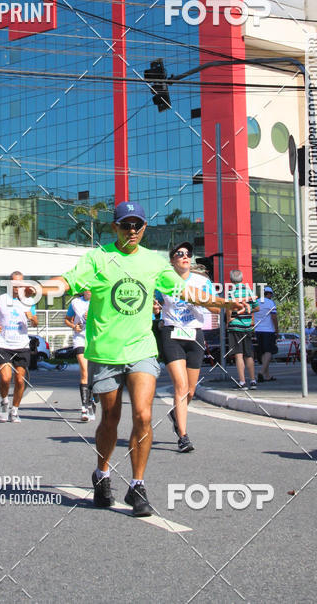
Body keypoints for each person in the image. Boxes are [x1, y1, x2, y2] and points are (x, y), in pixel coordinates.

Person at [40, 202, 245, 516]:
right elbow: (66, 281)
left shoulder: (154, 262)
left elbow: (186, 293)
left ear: (144, 228)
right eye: (125, 225)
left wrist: (223, 303)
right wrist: (38, 288)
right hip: (105, 352)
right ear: (115, 228)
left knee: (144, 415)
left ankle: (137, 486)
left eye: (137, 225)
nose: (131, 230)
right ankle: (102, 474)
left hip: (142, 349)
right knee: (110, 419)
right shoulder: (98, 257)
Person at [156, 241, 215, 454]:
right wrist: (154, 307)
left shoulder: (202, 281)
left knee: (190, 391)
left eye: (188, 253)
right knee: (180, 387)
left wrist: (206, 303)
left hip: (195, 334)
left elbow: (215, 306)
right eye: (179, 254)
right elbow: (152, 304)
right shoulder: (162, 282)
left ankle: (176, 414)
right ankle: (183, 436)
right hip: (172, 334)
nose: (185, 256)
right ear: (172, 260)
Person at [0, 270, 38, 423]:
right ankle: (4, 402)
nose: (17, 286)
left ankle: (14, 410)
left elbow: (36, 322)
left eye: (20, 283)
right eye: (15, 283)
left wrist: (32, 319)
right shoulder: (1, 299)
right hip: (4, 344)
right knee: (5, 377)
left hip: (22, 345)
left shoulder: (28, 302)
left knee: (20, 380)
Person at [65, 288, 95, 421]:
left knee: (95, 375)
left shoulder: (100, 300)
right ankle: (85, 407)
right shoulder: (76, 302)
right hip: (80, 339)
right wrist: (73, 326)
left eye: (91, 289)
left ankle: (93, 398)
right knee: (84, 372)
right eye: (86, 289)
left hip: (96, 339)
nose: (89, 292)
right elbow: (67, 319)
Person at [226, 268, 258, 389]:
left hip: (235, 327)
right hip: (247, 327)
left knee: (238, 354)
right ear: (242, 278)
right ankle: (253, 380)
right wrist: (248, 312)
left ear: (231, 279)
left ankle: (242, 382)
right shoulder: (250, 291)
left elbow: (229, 307)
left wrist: (229, 319)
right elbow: (257, 307)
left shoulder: (231, 292)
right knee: (249, 354)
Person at [255, 285, 279, 383]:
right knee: (269, 351)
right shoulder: (270, 303)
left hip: (258, 330)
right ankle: (261, 372)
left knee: (263, 352)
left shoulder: (256, 302)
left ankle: (267, 375)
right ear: (269, 294)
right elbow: (274, 317)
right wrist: (277, 330)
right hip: (268, 330)